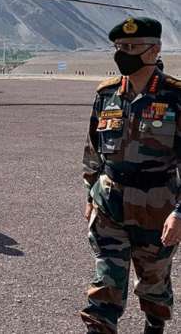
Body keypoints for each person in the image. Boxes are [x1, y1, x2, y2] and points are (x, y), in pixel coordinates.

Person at [81, 17, 181, 334]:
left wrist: (180, 212)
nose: (123, 53)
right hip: (110, 202)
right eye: (120, 47)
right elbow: (93, 150)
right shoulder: (107, 94)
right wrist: (90, 193)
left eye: (132, 47)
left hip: (157, 205)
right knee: (106, 278)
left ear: (154, 50)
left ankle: (154, 324)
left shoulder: (175, 98)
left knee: (153, 280)